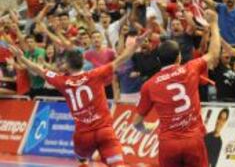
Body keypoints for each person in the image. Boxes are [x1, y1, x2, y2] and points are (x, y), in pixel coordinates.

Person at [9, 32, 149, 167]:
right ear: (83, 62)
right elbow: (121, 59)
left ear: (68, 66)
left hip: (83, 136)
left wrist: (22, 58)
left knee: (82, 160)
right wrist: (135, 45)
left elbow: (39, 70)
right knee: (118, 164)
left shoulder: (62, 81)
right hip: (104, 131)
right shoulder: (96, 74)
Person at [132, 10, 221, 167]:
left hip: (169, 144)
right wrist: (213, 24)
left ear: (159, 60)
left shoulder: (149, 85)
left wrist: (145, 129)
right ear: (179, 57)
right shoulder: (190, 68)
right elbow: (214, 53)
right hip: (193, 140)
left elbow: (137, 122)